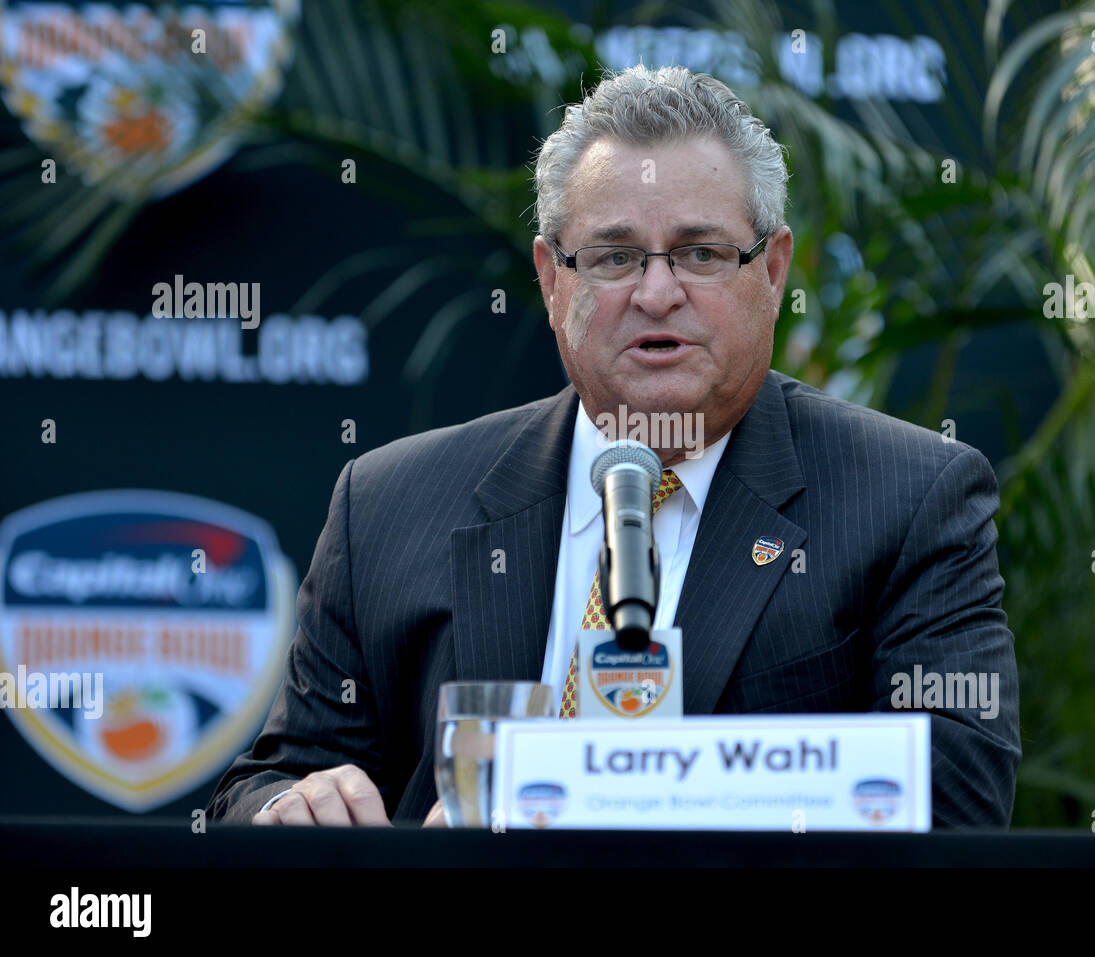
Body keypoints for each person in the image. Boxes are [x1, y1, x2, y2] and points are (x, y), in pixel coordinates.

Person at [206, 64, 1020, 829]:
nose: (657, 293)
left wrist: (616, 793)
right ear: (554, 279)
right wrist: (297, 803)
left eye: (701, 253)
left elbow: (957, 791)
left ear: (773, 271)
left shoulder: (910, 496)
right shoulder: (387, 506)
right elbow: (267, 782)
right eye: (614, 257)